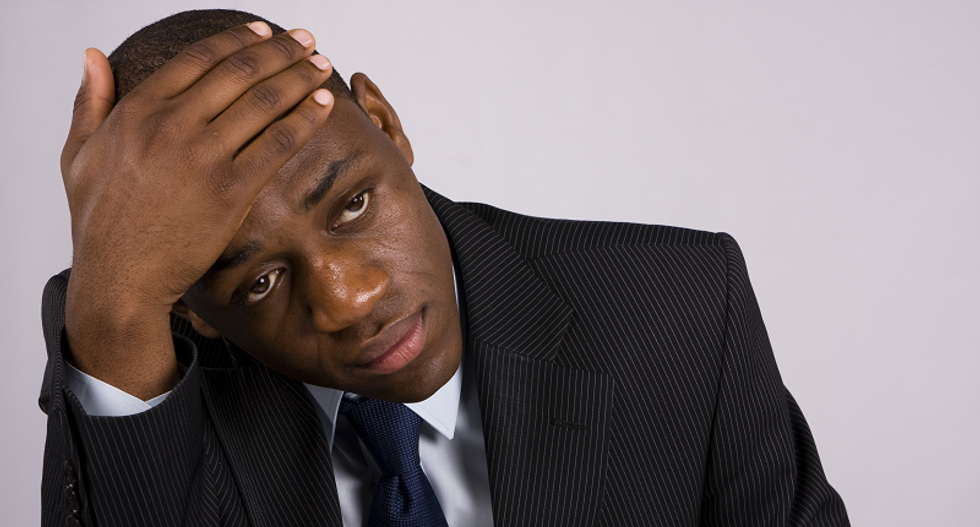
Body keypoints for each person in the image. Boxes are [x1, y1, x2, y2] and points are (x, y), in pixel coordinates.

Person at [39, 8, 850, 527]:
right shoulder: (141, 376)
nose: (350, 300)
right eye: (260, 282)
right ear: (190, 310)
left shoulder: (682, 308)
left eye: (354, 203)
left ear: (387, 126)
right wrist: (113, 303)